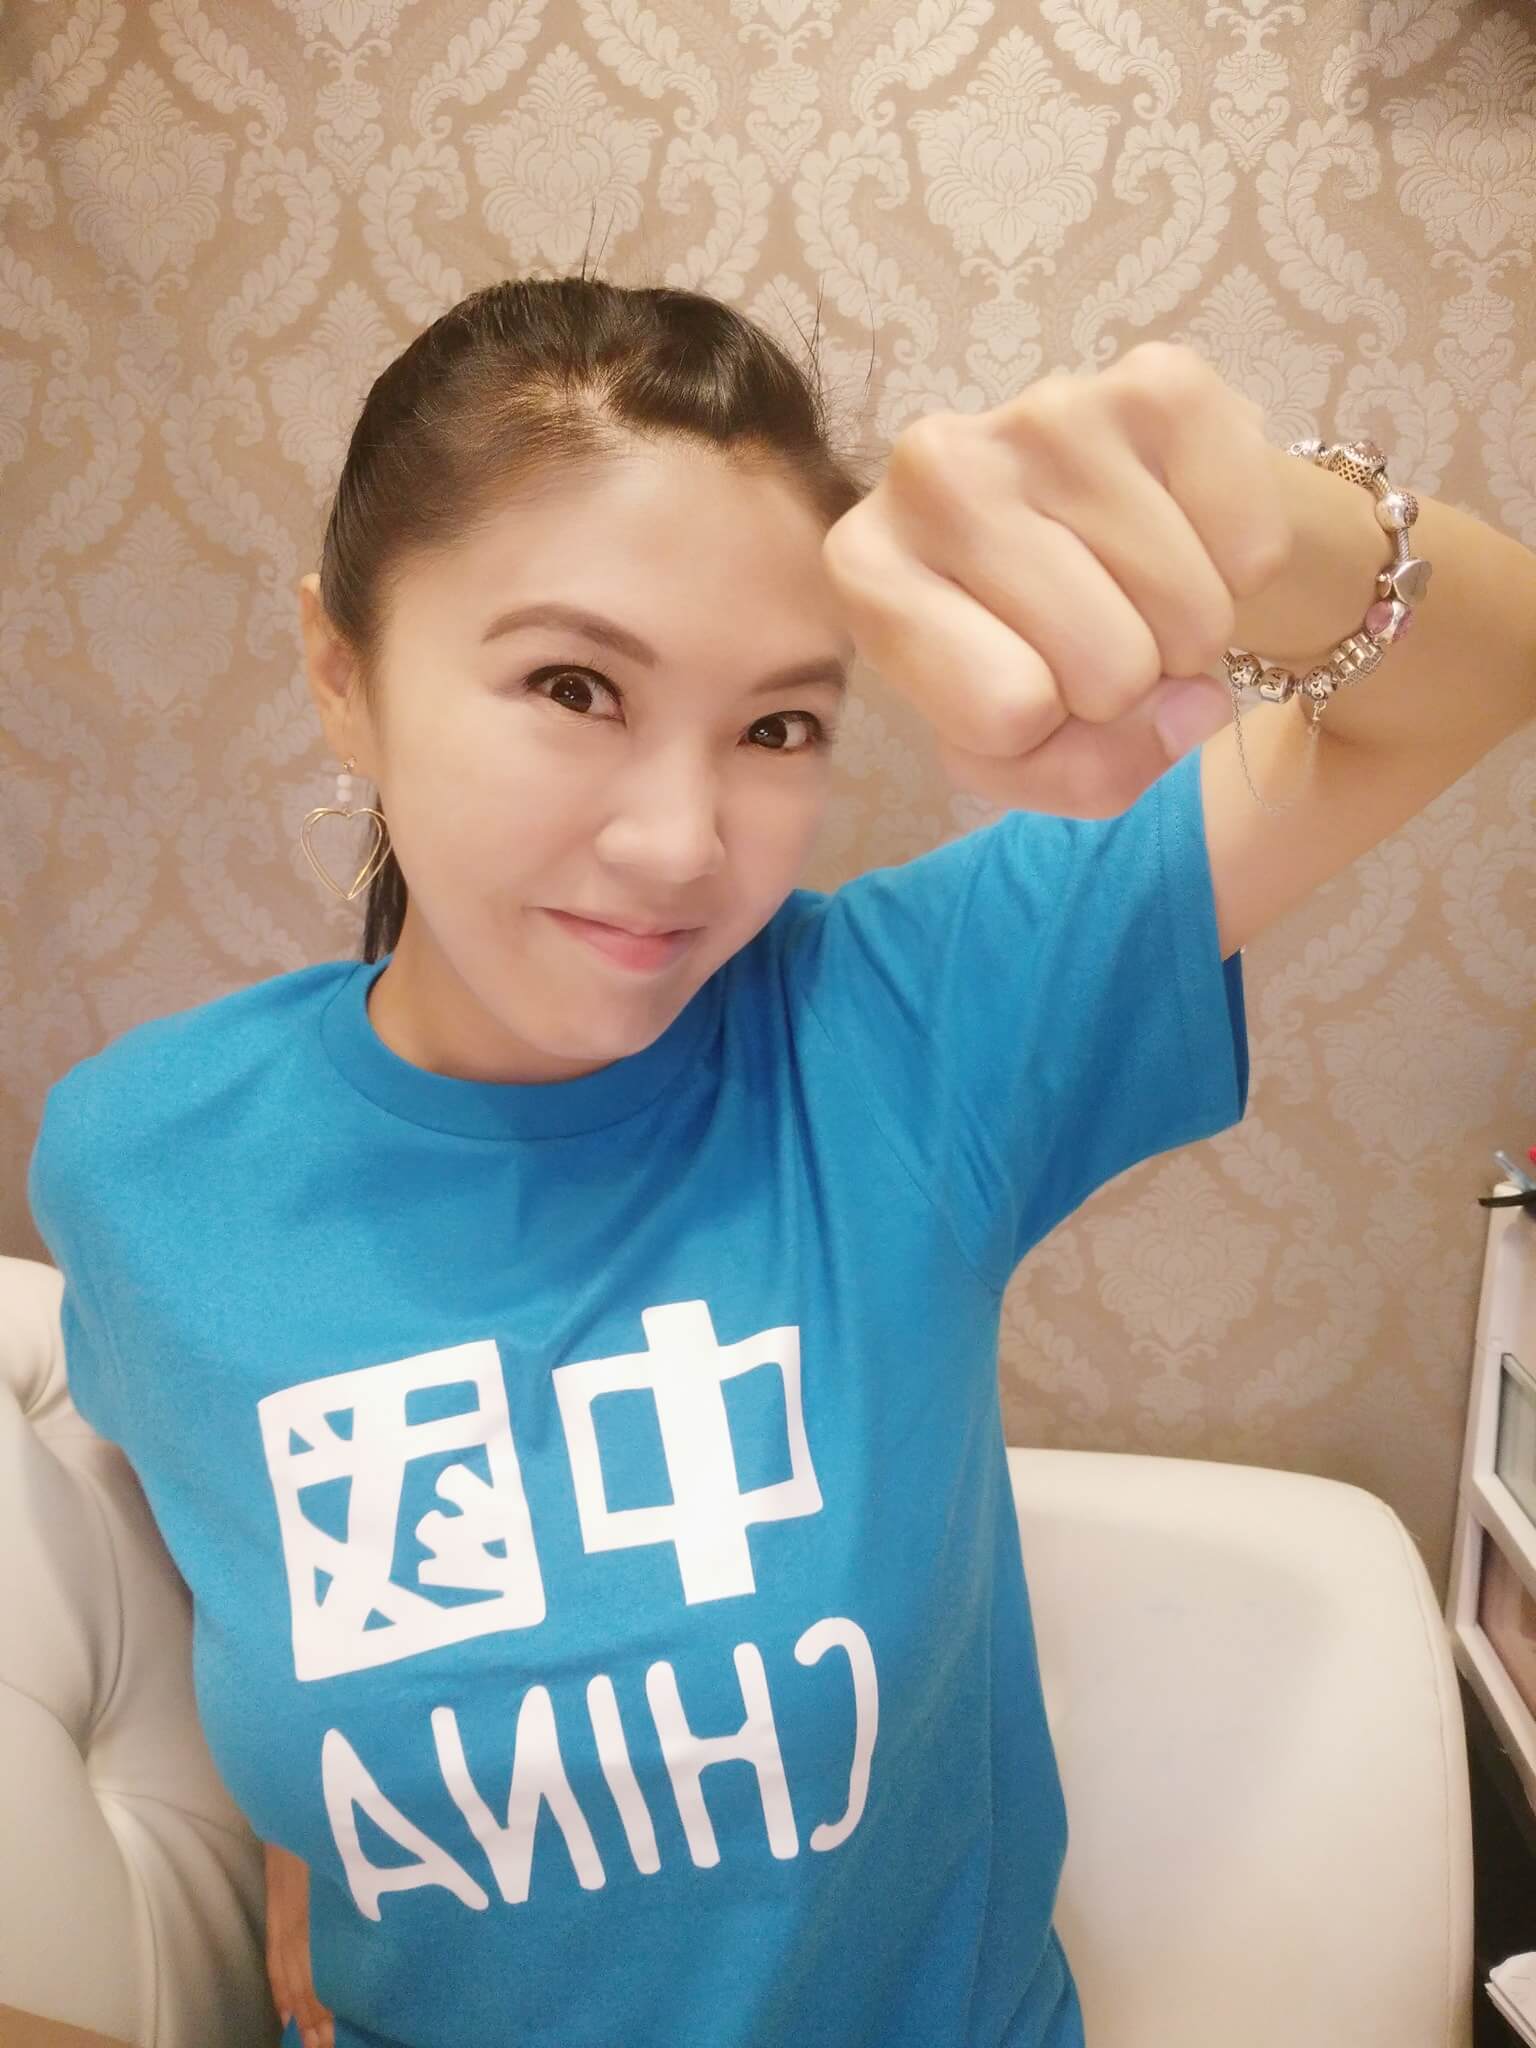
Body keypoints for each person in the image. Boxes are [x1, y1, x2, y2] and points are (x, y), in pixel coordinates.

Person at [26, 272, 1531, 2048]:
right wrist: (307, 1819)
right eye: (574, 685)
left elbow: (1487, 666)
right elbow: (232, 1509)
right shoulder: (144, 1164)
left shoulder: (909, 1033)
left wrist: (1259, 528)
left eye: (778, 726)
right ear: (340, 674)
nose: (681, 845)